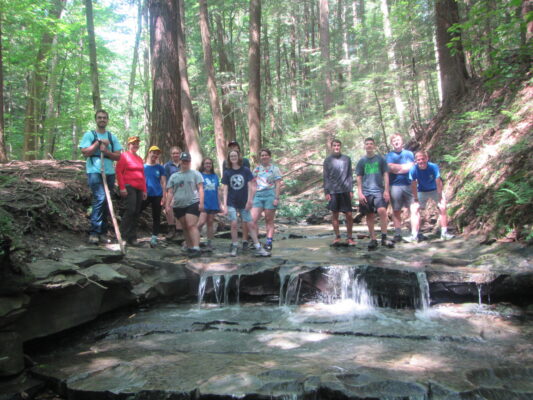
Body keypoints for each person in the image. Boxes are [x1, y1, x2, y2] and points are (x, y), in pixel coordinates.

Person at [79, 109, 122, 244]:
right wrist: (98, 143)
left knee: (106, 201)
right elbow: (85, 152)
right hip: (94, 171)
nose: (102, 120)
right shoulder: (89, 135)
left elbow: (118, 156)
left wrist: (106, 151)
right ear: (96, 119)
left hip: (109, 172)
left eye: (104, 118)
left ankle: (103, 232)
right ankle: (94, 232)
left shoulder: (111, 137)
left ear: (107, 120)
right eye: (99, 118)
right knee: (100, 197)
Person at [221, 150, 270, 257]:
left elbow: (252, 186)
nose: (233, 157)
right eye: (231, 156)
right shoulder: (227, 172)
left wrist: (250, 200)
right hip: (231, 202)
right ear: (229, 158)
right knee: (233, 223)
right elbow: (224, 189)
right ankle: (234, 245)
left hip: (244, 202)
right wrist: (224, 205)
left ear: (239, 157)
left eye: (235, 155)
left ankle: (258, 247)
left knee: (251, 224)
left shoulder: (246, 170)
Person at [356, 137, 394, 250]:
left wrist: (387, 190)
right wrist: (360, 192)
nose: (369, 145)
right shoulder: (362, 161)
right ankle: (373, 239)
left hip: (379, 191)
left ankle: (384, 237)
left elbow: (386, 175)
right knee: (369, 215)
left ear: (374, 146)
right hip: (366, 192)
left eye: (371, 144)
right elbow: (359, 177)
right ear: (364, 146)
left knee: (382, 211)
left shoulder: (380, 159)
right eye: (367, 144)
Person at [408, 150, 454, 241]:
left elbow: (438, 181)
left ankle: (444, 233)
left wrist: (440, 195)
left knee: (442, 207)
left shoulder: (433, 167)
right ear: (416, 161)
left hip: (434, 190)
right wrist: (415, 198)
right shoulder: (413, 169)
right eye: (418, 160)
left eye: (423, 159)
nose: (421, 161)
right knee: (414, 209)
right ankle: (414, 235)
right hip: (421, 190)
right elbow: (413, 184)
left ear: (427, 158)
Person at [166, 152, 204, 257]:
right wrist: (167, 205)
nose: (185, 163)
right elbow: (170, 192)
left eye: (187, 161)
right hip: (178, 205)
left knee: (191, 225)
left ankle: (196, 247)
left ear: (190, 162)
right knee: (185, 227)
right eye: (183, 161)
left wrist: (201, 202)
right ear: (180, 162)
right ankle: (190, 247)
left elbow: (201, 188)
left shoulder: (196, 174)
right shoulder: (174, 176)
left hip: (193, 202)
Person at [323, 139, 356, 246]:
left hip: (345, 189)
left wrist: (351, 189)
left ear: (340, 147)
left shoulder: (346, 159)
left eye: (338, 145)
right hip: (333, 190)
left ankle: (350, 237)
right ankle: (337, 236)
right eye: (334, 145)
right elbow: (326, 177)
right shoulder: (327, 160)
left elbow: (350, 175)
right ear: (331, 147)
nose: (336, 147)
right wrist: (326, 191)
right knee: (335, 215)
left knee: (349, 214)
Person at [116, 136, 147, 246]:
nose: (135, 145)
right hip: (129, 186)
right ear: (128, 145)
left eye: (137, 144)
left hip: (139, 188)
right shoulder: (124, 156)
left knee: (137, 212)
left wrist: (144, 190)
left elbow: (143, 175)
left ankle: (132, 237)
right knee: (130, 210)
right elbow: (119, 172)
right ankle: (123, 236)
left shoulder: (139, 159)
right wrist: (122, 187)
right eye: (133, 143)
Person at [251, 149, 283, 251]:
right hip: (258, 195)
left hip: (270, 194)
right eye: (262, 155)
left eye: (266, 155)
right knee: (253, 220)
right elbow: (253, 184)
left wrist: (276, 198)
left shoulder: (275, 169)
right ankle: (256, 242)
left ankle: (269, 241)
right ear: (260, 157)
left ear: (269, 156)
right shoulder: (256, 169)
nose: (264, 157)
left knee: (269, 220)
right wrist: (251, 198)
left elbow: (278, 184)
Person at [386, 134, 415, 243]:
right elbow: (390, 168)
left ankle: (415, 231)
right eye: (394, 140)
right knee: (396, 209)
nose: (396, 142)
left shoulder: (409, 153)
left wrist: (397, 168)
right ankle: (398, 232)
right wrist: (404, 167)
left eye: (398, 140)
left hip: (409, 184)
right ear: (392, 143)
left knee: (413, 208)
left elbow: (412, 167)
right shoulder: (389, 155)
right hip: (395, 185)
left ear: (402, 141)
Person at [222, 141, 251, 250]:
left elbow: (248, 178)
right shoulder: (226, 162)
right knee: (233, 221)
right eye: (231, 147)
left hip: (243, 193)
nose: (233, 148)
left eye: (235, 146)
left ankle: (245, 240)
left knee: (245, 219)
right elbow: (225, 179)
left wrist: (249, 197)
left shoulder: (245, 161)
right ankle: (234, 243)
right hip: (232, 195)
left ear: (239, 148)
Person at [142, 145, 166, 248]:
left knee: (156, 216)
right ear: (149, 152)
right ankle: (130, 234)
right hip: (145, 194)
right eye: (153, 152)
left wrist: (164, 196)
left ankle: (154, 237)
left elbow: (164, 182)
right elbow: (140, 180)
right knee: (136, 211)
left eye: (157, 153)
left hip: (157, 195)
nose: (155, 155)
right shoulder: (143, 167)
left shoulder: (160, 167)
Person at [197, 157, 220, 250]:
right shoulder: (199, 176)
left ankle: (209, 243)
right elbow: (197, 190)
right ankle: (191, 241)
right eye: (206, 163)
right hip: (203, 202)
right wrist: (199, 203)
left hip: (213, 202)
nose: (208, 165)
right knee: (201, 222)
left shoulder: (215, 176)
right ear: (203, 165)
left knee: (210, 222)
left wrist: (220, 203)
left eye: (209, 163)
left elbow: (217, 191)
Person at [163, 146, 182, 239]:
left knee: (179, 209)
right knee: (169, 208)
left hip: (182, 191)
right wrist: (166, 193)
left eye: (177, 153)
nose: (175, 155)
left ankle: (179, 230)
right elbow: (164, 180)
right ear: (171, 155)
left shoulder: (183, 164)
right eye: (173, 153)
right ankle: (171, 228)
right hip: (170, 190)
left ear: (180, 154)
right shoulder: (167, 166)